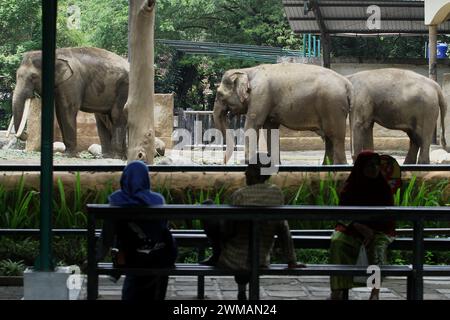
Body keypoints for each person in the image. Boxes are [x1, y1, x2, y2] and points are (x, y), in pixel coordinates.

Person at [211, 153, 305, 300]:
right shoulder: (277, 194)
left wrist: (218, 234)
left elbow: (229, 230)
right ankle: (242, 288)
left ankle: (216, 255)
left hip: (233, 260)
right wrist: (291, 260)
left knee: (209, 210)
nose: (245, 172)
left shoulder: (240, 195)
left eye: (248, 168)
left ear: (255, 172)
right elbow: (283, 229)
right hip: (261, 260)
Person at [97, 161, 177, 301]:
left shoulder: (116, 201)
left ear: (124, 178)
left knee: (123, 234)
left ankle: (121, 280)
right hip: (160, 257)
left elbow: (107, 237)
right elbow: (163, 228)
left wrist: (93, 259)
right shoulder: (157, 200)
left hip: (131, 258)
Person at [329, 151, 399, 300]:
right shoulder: (351, 187)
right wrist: (358, 226)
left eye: (376, 165)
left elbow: (388, 216)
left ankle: (375, 293)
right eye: (369, 165)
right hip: (353, 228)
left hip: (379, 230)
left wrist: (372, 231)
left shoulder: (383, 188)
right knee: (338, 243)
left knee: (376, 249)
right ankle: (337, 290)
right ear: (361, 167)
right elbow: (343, 213)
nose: (374, 168)